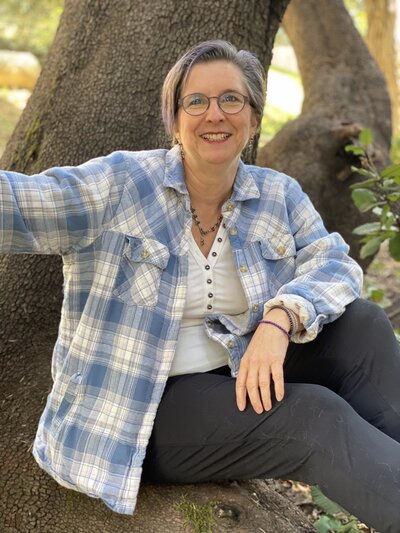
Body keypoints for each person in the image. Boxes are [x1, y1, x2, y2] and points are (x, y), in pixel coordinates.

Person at [1, 39, 400, 532]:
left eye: (231, 99)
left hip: (233, 373)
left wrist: (281, 318)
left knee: (363, 324)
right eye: (197, 101)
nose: (216, 114)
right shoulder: (122, 184)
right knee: (314, 419)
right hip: (141, 413)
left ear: (252, 118)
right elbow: (18, 206)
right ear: (174, 120)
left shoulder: (276, 194)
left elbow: (335, 263)